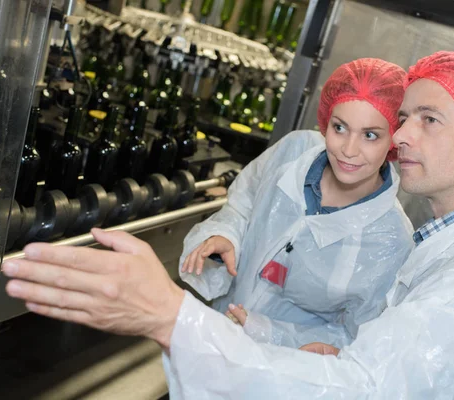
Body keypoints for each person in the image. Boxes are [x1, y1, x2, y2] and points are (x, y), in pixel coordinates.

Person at [2, 51, 454, 399]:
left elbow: (366, 391)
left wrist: (166, 316)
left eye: (428, 120)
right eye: (402, 118)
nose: (399, 137)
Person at [177, 58, 414, 348]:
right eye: (339, 128)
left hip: (282, 376)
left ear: (394, 138)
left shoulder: (390, 241)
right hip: (212, 332)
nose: (349, 150)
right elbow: (243, 205)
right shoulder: (294, 151)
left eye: (370, 135)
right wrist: (225, 235)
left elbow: (356, 339)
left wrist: (265, 330)